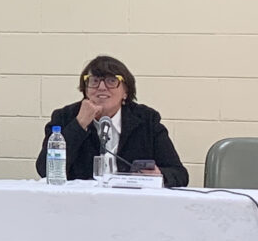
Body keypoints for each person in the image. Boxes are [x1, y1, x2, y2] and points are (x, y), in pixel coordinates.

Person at [36, 55, 188, 187]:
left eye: (111, 81)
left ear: (126, 91)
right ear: (85, 89)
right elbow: (44, 170)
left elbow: (180, 174)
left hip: (134, 206)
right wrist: (79, 125)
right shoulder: (65, 117)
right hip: (80, 206)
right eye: (94, 81)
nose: (101, 87)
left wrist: (159, 175)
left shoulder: (147, 120)